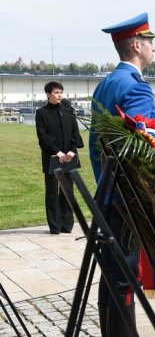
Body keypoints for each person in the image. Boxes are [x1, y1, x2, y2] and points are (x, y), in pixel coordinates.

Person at [89, 12, 155, 337]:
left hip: (108, 191)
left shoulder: (105, 84)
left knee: (112, 275)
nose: (154, 48)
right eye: (150, 41)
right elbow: (149, 151)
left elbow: (95, 145)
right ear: (136, 45)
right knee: (125, 275)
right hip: (129, 197)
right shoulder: (135, 86)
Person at [35, 82, 84, 235]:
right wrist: (58, 152)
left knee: (68, 191)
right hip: (52, 158)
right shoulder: (41, 113)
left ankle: (67, 225)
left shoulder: (68, 111)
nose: (59, 95)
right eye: (56, 92)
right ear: (48, 94)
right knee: (52, 192)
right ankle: (55, 227)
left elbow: (75, 133)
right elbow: (43, 136)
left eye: (61, 92)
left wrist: (71, 151)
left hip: (69, 157)